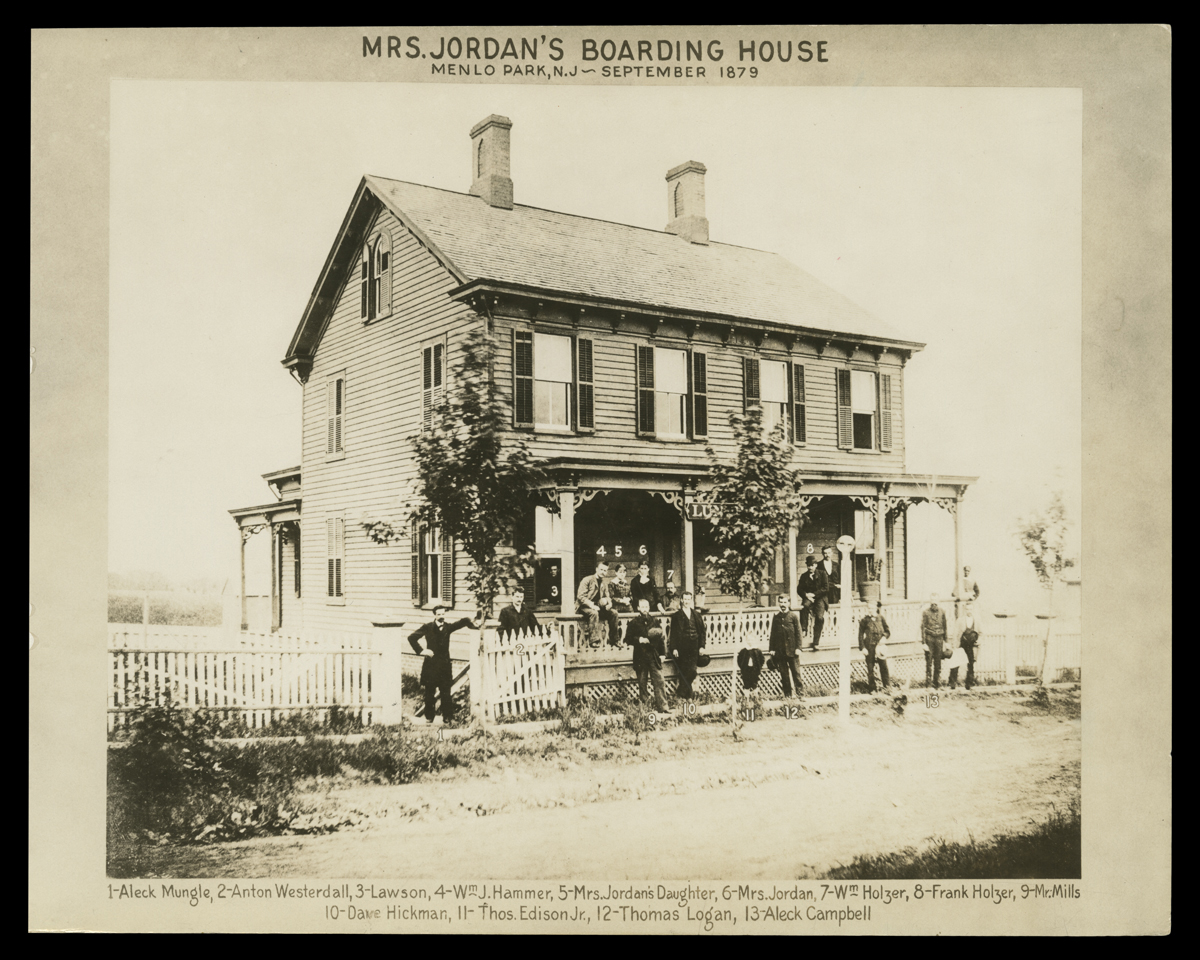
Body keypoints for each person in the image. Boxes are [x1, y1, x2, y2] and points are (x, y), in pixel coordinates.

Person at [407, 605, 477, 725]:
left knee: (446, 693)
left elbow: (461, 622)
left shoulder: (448, 627)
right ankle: (429, 718)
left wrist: (471, 620)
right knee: (429, 692)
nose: (441, 616)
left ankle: (447, 718)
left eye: (443, 614)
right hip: (431, 665)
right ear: (434, 615)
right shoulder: (427, 627)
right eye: (439, 614)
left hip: (444, 666)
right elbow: (412, 637)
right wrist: (422, 651)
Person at [625, 597, 667, 711]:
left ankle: (663, 706)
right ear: (638, 608)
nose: (644, 609)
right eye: (642, 607)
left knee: (659, 681)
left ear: (649, 608)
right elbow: (627, 639)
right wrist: (639, 639)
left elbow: (661, 638)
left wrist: (662, 654)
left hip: (653, 655)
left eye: (646, 607)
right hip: (640, 656)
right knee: (642, 682)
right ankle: (645, 707)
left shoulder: (655, 621)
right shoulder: (634, 623)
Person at [669, 590, 706, 699]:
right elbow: (674, 633)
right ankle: (688, 697)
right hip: (682, 647)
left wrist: (702, 646)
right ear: (681, 600)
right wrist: (674, 648)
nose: (687, 601)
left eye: (689, 599)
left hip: (694, 646)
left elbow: (702, 632)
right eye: (685, 599)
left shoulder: (696, 615)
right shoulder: (677, 616)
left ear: (691, 600)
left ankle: (681, 691)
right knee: (684, 670)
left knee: (693, 671)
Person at [577, 560, 619, 649]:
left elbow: (608, 597)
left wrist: (608, 603)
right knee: (594, 613)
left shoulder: (604, 582)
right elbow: (580, 597)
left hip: (598, 607)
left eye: (605, 570)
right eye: (601, 570)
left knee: (614, 613)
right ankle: (594, 640)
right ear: (596, 569)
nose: (603, 572)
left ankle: (614, 639)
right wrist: (592, 605)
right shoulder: (587, 580)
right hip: (584, 607)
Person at [769, 594, 804, 698]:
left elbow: (798, 633)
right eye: (781, 602)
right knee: (784, 675)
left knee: (796, 674)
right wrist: (772, 649)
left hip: (792, 651)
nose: (783, 604)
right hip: (780, 651)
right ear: (779, 603)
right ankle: (788, 695)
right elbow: (773, 634)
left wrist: (799, 648)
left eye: (785, 602)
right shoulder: (776, 617)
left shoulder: (793, 616)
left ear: (789, 603)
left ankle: (800, 695)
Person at [796, 555, 830, 650]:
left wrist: (814, 595)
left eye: (812, 565)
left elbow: (825, 588)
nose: (810, 567)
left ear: (815, 565)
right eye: (808, 566)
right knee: (804, 606)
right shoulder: (804, 576)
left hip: (820, 598)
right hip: (809, 598)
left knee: (819, 617)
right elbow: (799, 589)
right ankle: (804, 629)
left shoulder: (823, 574)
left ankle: (816, 642)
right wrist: (806, 595)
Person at [858, 601, 892, 693]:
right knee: (870, 668)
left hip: (880, 648)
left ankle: (887, 687)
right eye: (869, 608)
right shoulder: (864, 620)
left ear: (876, 608)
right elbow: (860, 635)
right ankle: (872, 689)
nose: (871, 610)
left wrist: (884, 637)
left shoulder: (881, 618)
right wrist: (863, 648)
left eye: (872, 608)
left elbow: (888, 631)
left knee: (884, 667)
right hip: (869, 647)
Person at [949, 600, 981, 689]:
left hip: (971, 645)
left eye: (970, 609)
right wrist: (954, 644)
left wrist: (980, 640)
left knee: (971, 664)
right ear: (965, 610)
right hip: (962, 643)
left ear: (973, 609)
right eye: (967, 609)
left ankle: (969, 684)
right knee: (956, 663)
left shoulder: (977, 620)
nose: (969, 611)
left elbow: (981, 633)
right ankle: (952, 683)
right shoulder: (960, 620)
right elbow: (955, 633)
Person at [921, 594, 948, 688]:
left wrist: (946, 641)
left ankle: (936, 683)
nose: (934, 602)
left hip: (939, 639)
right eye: (932, 600)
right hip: (929, 639)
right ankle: (928, 684)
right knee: (928, 661)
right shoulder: (925, 612)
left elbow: (945, 627)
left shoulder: (942, 612)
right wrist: (923, 643)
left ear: (938, 601)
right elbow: (923, 628)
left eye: (935, 600)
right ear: (930, 601)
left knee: (938, 662)